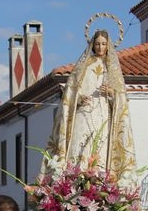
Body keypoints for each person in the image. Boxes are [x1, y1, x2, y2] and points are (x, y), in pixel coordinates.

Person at [47, 29, 135, 176]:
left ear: (108, 45)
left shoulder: (112, 68)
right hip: (84, 113)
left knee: (101, 148)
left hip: (103, 115)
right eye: (97, 44)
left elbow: (122, 97)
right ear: (92, 45)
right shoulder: (83, 66)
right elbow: (70, 91)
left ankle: (98, 180)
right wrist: (79, 98)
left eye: (103, 44)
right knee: (79, 145)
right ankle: (75, 177)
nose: (100, 47)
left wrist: (112, 93)